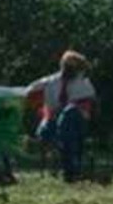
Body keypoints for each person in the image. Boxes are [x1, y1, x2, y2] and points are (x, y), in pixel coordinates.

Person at [26, 51, 96, 182]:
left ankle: (71, 170)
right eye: (68, 66)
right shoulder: (50, 82)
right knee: (49, 129)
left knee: (69, 116)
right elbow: (28, 92)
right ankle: (70, 168)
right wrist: (41, 109)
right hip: (53, 121)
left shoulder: (84, 84)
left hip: (76, 125)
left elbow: (85, 111)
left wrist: (67, 113)